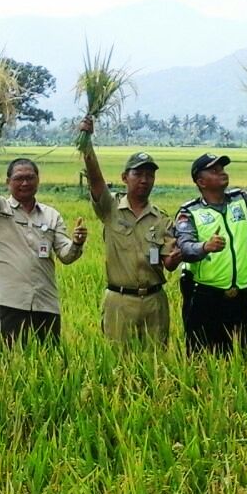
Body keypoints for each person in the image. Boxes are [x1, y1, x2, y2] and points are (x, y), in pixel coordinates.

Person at [173, 131, 247, 354]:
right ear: (200, 181)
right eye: (214, 170)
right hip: (205, 299)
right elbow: (185, 247)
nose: (222, 172)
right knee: (203, 360)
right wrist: (205, 247)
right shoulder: (189, 212)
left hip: (240, 298)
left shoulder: (242, 202)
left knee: (243, 358)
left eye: (222, 168)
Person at [0, 121, 87, 344]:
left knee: (47, 360)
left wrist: (76, 243)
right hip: (8, 303)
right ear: (8, 182)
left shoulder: (51, 215)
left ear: (38, 180)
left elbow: (65, 255)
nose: (25, 182)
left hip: (45, 304)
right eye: (19, 178)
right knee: (4, 360)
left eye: (30, 177)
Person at [78, 117, 180, 344]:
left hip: (154, 300)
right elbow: (96, 180)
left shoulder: (162, 219)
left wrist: (178, 256)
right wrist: (87, 144)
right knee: (118, 359)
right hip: (119, 300)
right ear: (125, 177)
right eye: (138, 174)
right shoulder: (110, 208)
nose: (144, 180)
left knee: (156, 360)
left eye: (149, 175)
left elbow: (169, 263)